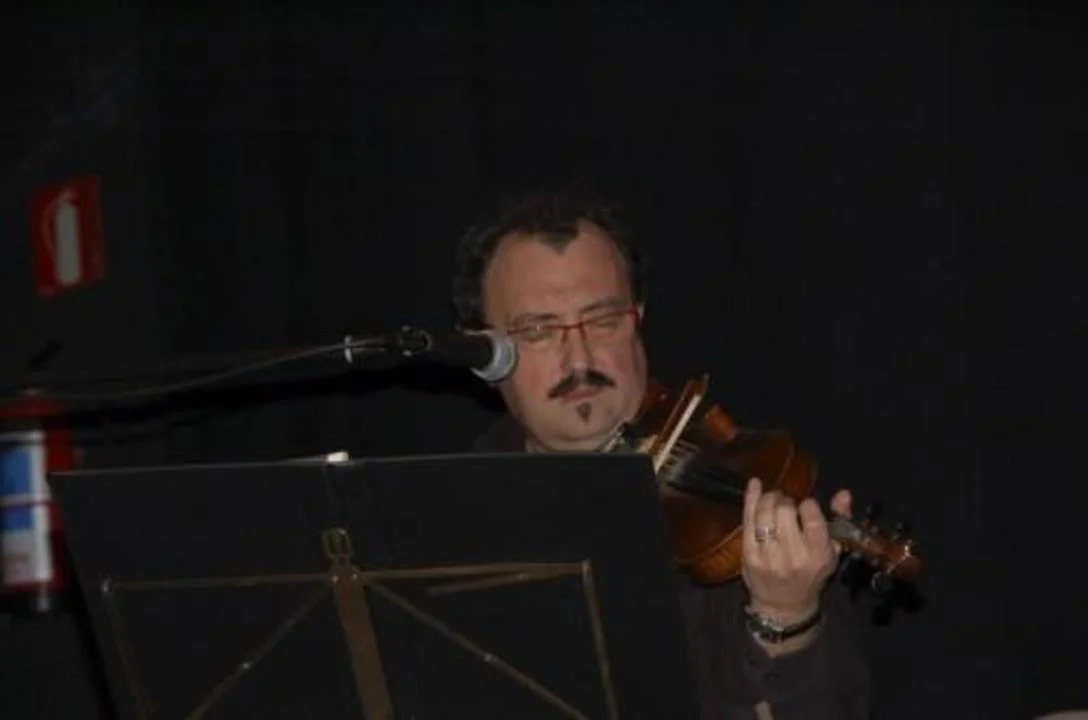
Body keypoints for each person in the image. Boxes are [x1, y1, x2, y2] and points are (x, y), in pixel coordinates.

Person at [452, 189, 871, 719]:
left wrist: (787, 617)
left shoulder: (741, 501)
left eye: (604, 320)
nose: (578, 358)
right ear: (485, 355)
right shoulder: (452, 518)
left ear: (638, 319)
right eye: (538, 330)